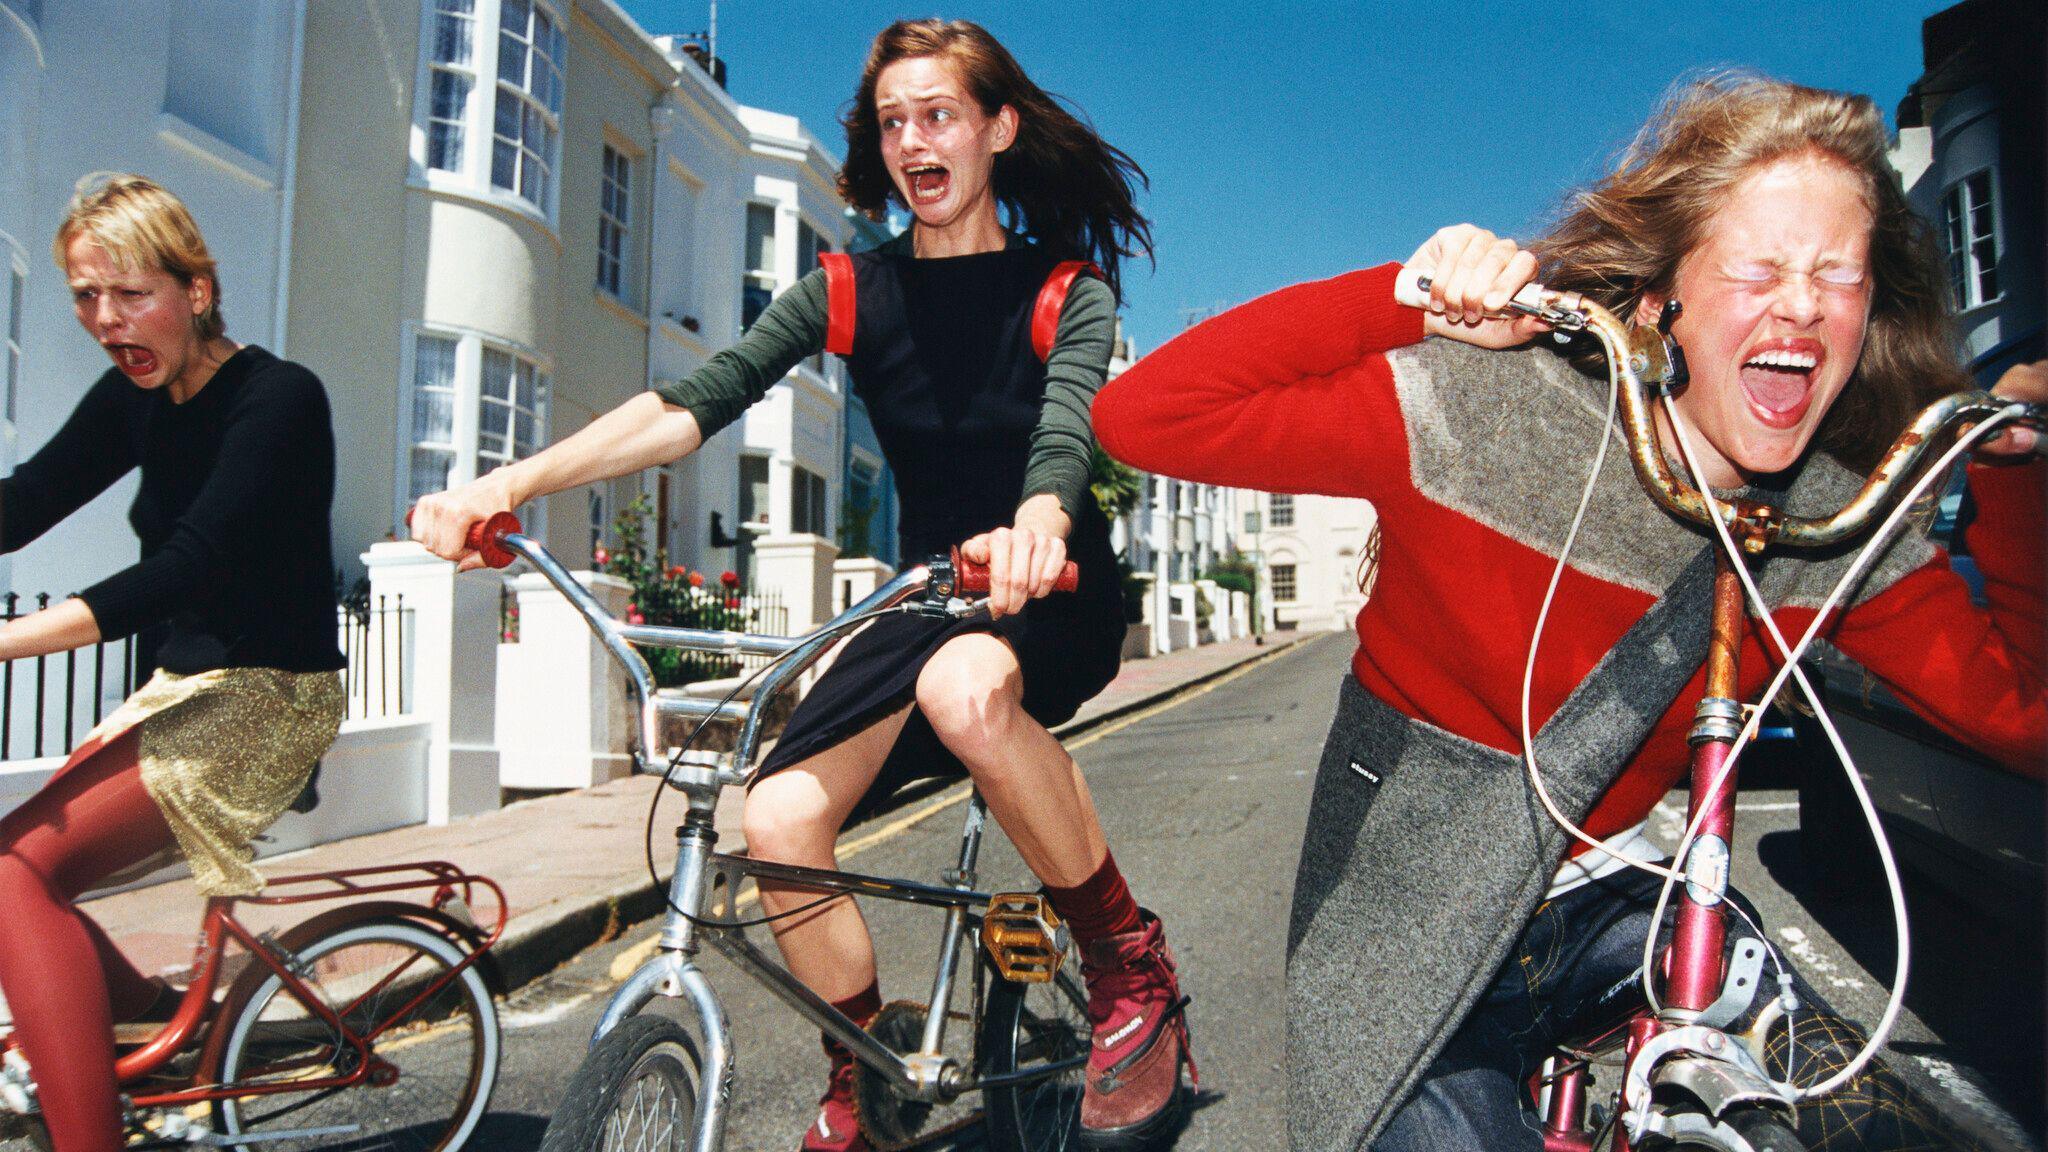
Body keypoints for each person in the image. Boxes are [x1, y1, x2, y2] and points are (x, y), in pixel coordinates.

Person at [1092, 75, 2044, 1151]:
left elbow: (2019, 717)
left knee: (1853, 1120)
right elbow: (1142, 413)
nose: (1801, 305)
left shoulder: (1828, 520)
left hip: (1618, 907)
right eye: (1757, 267)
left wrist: (2012, 468)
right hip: (1408, 918)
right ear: (1655, 303)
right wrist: (1408, 297)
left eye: (1837, 275)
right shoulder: (1481, 408)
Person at [410, 19, 1195, 1150]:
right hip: (925, 598)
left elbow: (1062, 436)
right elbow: (692, 404)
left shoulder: (1062, 289)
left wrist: (1033, 524)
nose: (914, 140)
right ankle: (862, 1074)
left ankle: (1131, 966)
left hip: (1047, 586)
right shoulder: (847, 288)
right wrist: (509, 482)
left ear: (995, 129)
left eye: (937, 115)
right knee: (777, 814)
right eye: (892, 123)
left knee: (970, 691)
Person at [0, 174, 346, 1152]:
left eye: (130, 293)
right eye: (84, 296)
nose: (105, 321)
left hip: (267, 698)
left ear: (195, 291)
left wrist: (8, 640)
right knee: (26, 878)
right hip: (183, 690)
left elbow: (187, 565)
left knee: (11, 874)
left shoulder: (278, 400)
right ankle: (154, 1021)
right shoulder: (135, 395)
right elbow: (25, 503)